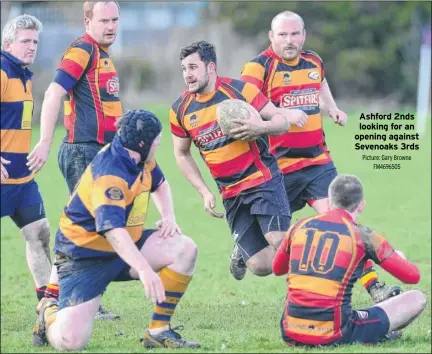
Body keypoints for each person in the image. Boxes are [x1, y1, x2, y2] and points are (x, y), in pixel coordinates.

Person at [239, 11, 401, 303]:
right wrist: (282, 113)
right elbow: (246, 99)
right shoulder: (258, 66)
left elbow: (320, 84)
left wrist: (333, 108)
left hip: (318, 164)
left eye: (295, 34)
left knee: (344, 225)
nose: (289, 41)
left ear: (304, 34)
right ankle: (245, 244)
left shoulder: (313, 60)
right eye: (283, 35)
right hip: (277, 170)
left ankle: (374, 287)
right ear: (271, 37)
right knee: (264, 257)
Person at [32, 109, 200, 350]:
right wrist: (144, 269)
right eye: (156, 141)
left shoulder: (140, 156)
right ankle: (49, 310)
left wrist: (168, 216)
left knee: (184, 249)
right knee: (70, 342)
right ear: (142, 143)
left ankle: (158, 330)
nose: (159, 144)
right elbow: (113, 231)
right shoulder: (110, 172)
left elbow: (159, 184)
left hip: (123, 247)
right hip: (84, 256)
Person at [170, 40, 308, 279]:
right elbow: (181, 153)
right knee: (261, 266)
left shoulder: (239, 91)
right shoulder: (180, 109)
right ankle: (278, 242)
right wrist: (204, 191)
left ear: (210, 67)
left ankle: (311, 292)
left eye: (193, 67)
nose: (187, 75)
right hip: (230, 193)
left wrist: (261, 126)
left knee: (278, 239)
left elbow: (282, 121)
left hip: (262, 180)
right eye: (184, 69)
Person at [27, 0, 122, 319]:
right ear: (87, 21)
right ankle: (70, 301)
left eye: (115, 19)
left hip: (99, 153)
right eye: (104, 19)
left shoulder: (102, 54)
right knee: (88, 228)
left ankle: (80, 299)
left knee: (96, 228)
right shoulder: (83, 49)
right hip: (82, 151)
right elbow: (54, 92)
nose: (111, 25)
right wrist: (43, 141)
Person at [272, 174, 426, 347]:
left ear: (329, 201)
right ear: (361, 206)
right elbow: (412, 276)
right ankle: (380, 332)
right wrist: (400, 257)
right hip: (334, 334)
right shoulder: (365, 236)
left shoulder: (299, 226)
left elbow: (277, 268)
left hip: (290, 332)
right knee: (417, 298)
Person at [1, 14, 52, 302]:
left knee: (39, 233)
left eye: (35, 41)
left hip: (21, 179)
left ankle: (47, 308)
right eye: (25, 41)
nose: (31, 47)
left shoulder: (23, 75)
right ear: (8, 43)